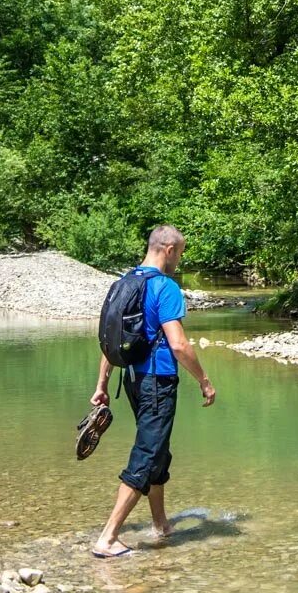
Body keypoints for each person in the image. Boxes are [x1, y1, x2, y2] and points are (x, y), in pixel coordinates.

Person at [90, 224, 216, 559]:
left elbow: (110, 340)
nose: (179, 261)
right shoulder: (164, 287)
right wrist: (204, 380)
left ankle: (161, 525)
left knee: (158, 450)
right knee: (147, 454)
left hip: (131, 380)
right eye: (180, 254)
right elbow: (178, 344)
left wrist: (102, 384)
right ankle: (108, 538)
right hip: (157, 383)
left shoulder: (125, 282)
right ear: (170, 249)